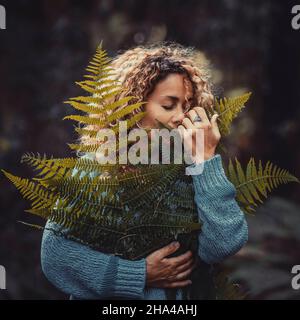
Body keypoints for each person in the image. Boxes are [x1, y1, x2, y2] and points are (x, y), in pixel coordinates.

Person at [41, 42, 248, 300]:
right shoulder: (102, 167)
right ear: (135, 106)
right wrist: (139, 274)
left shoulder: (193, 171)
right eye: (168, 105)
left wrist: (205, 160)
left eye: (186, 106)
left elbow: (223, 245)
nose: (180, 117)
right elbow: (55, 254)